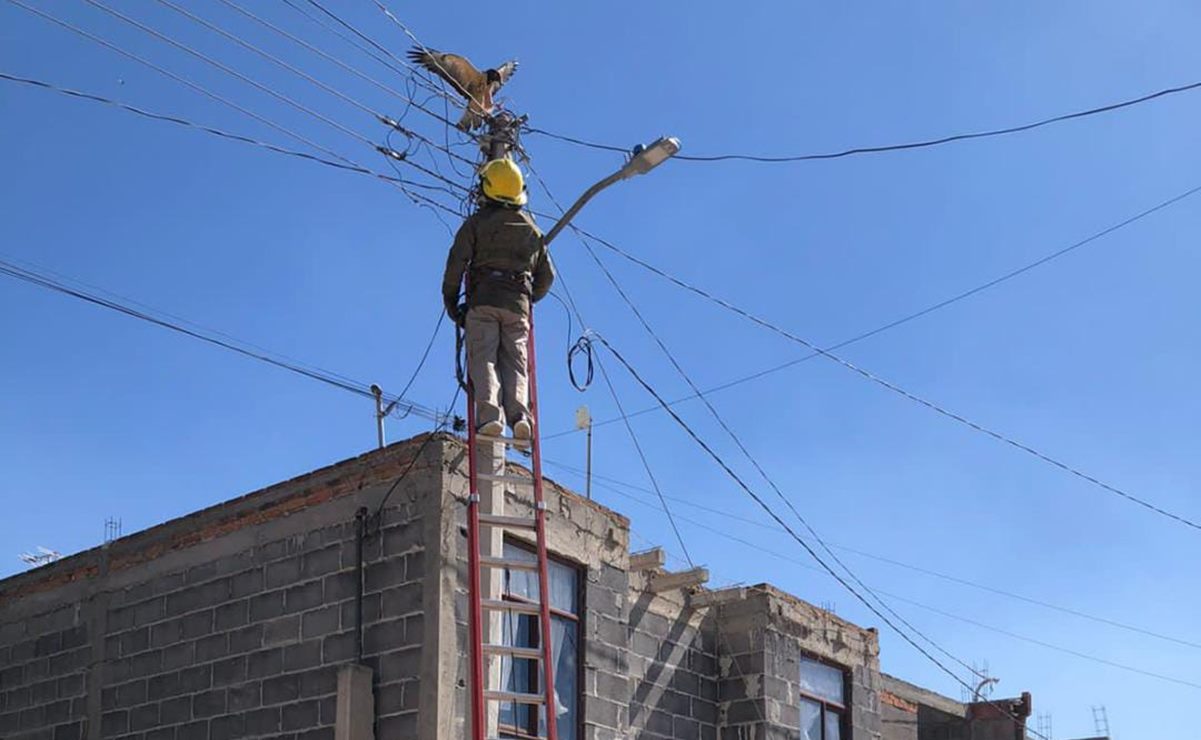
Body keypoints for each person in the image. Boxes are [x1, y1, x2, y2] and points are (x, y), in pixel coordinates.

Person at [442, 158, 554, 439]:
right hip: (518, 308)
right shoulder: (532, 230)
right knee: (516, 363)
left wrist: (452, 305)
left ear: (486, 188)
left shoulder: (476, 224)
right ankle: (520, 418)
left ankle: (491, 417)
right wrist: (529, 300)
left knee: (484, 359)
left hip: (484, 304)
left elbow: (456, 264)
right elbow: (547, 275)